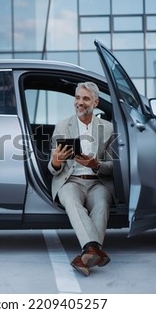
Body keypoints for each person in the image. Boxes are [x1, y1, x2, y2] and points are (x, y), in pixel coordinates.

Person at [48, 81, 114, 277]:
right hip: (69, 181)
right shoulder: (62, 126)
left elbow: (113, 167)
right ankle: (93, 251)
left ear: (95, 102)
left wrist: (97, 165)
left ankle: (85, 256)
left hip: (97, 181)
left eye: (85, 98)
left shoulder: (108, 129)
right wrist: (56, 162)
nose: (80, 102)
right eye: (77, 98)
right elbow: (52, 169)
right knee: (71, 201)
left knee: (102, 203)